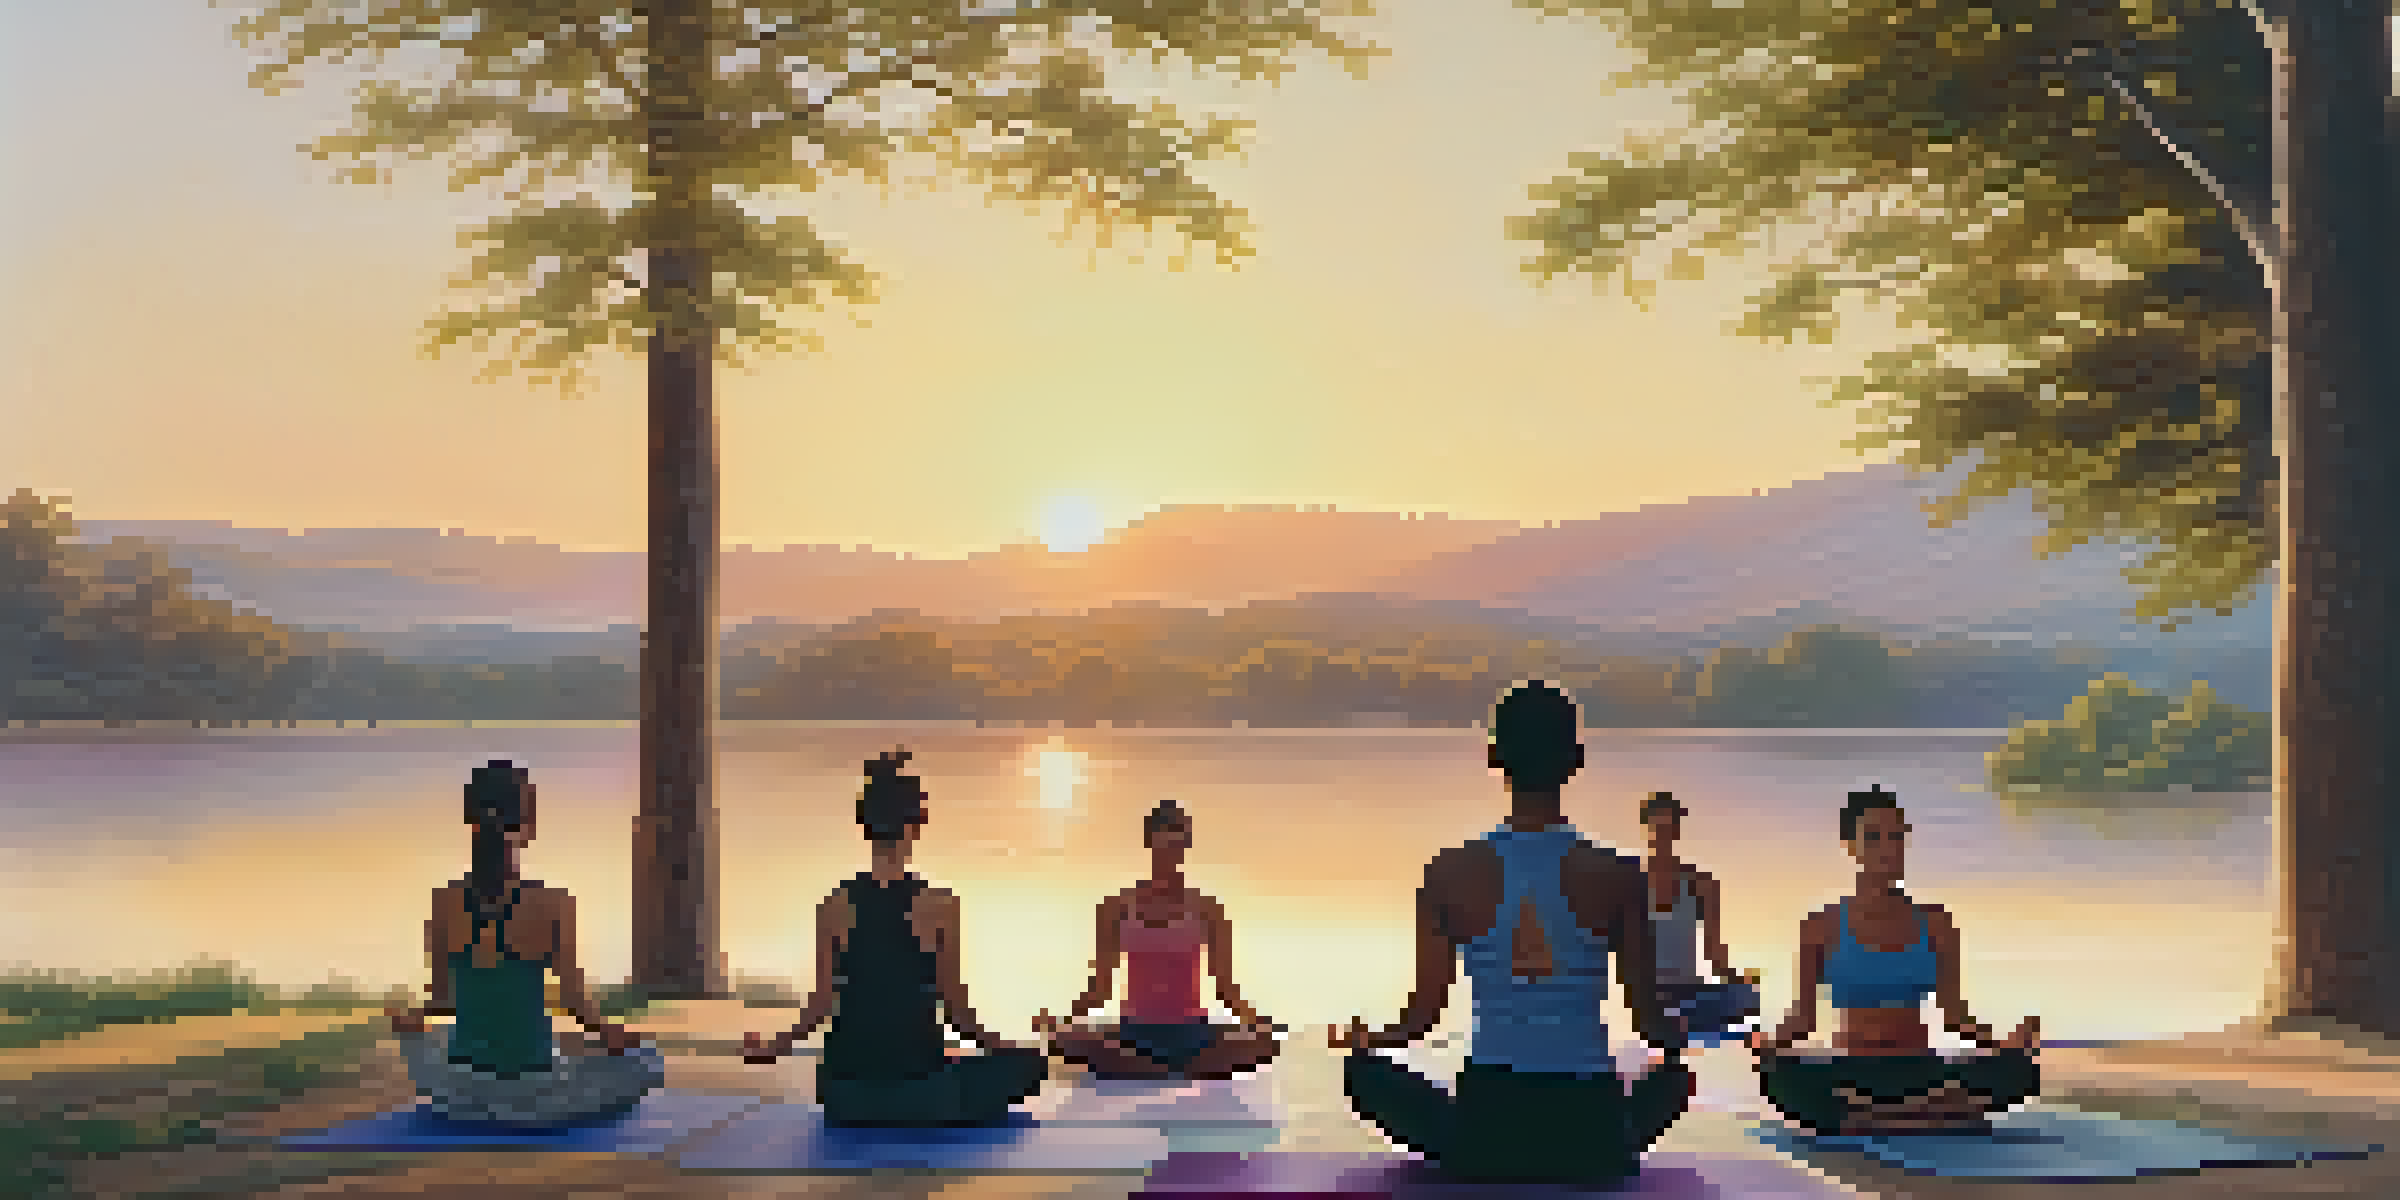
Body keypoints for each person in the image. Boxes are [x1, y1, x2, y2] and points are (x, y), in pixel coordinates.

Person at [1328, 681, 1692, 1185]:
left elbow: (1420, 1019)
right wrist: (1679, 1039)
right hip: (1590, 1132)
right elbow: (1650, 1024)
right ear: (1576, 760)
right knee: (1673, 1078)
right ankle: (1611, 1139)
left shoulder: (1449, 873)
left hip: (1486, 1129)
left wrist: (1366, 1040)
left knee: (1364, 1075)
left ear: (1495, 756)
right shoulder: (1618, 874)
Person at [741, 748, 1048, 1126]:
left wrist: (771, 1047)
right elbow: (957, 1013)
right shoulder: (939, 904)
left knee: (924, 1073)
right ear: (917, 825)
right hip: (919, 1085)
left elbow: (819, 1006)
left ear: (864, 825)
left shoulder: (835, 904)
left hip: (846, 1093)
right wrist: (1005, 1048)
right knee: (1028, 1066)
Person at [385, 760, 666, 1128]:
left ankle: (484, 1100)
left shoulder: (444, 902)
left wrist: (410, 1022)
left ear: (470, 824)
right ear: (528, 828)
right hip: (534, 1094)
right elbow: (576, 1006)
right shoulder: (553, 903)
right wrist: (614, 1035)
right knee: (648, 1060)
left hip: (461, 1093)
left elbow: (443, 999)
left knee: (437, 1038)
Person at [1750, 785, 2042, 1136]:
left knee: (2019, 1070)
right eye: (1873, 838)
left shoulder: (1936, 922)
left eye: (1895, 837)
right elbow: (1804, 1019)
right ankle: (1937, 1113)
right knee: (1780, 1074)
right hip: (1850, 1067)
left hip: (1919, 1065)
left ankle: (1868, 1119)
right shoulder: (1821, 925)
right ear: (1850, 846)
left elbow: (1955, 1016)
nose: (1886, 850)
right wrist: (1769, 1044)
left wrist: (2003, 1045)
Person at [1036, 799, 1283, 1080]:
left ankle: (1153, 1070)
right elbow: (1100, 990)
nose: (1169, 852)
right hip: (1134, 1033)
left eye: (1176, 843)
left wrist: (1257, 1023)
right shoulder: (1116, 907)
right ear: (1149, 843)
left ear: (1185, 846)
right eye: (1163, 842)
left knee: (1261, 1044)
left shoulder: (1207, 909)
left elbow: (1225, 989)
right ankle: (1169, 1070)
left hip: (1194, 1035)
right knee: (1071, 1040)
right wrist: (1064, 1022)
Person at [1642, 791, 1762, 1045]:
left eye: (1669, 826)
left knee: (1751, 1002)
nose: (1663, 834)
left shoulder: (1701, 884)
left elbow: (1713, 951)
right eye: (1658, 827)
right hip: (1649, 997)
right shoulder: (1630, 881)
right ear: (1648, 828)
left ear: (1677, 830)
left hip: (1691, 993)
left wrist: (1742, 982)